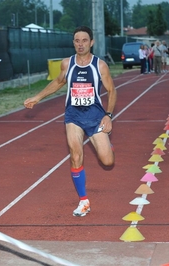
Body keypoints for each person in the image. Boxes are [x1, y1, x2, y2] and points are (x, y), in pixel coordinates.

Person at [24, 26, 117, 217]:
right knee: (75, 155)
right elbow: (58, 82)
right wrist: (37, 97)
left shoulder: (100, 66)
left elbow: (112, 91)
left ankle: (106, 144)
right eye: (77, 40)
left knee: (107, 161)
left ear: (91, 43)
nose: (80, 44)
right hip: (73, 116)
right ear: (73, 43)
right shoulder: (67, 64)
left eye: (84, 40)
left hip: (95, 116)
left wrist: (108, 115)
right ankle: (84, 201)